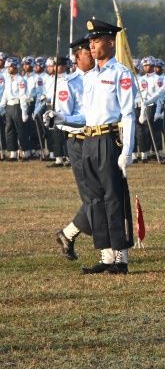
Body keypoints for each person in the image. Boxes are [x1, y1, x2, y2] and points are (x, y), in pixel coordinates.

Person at [47, 18, 136, 274]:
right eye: (91, 42)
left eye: (97, 40)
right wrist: (62, 118)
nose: (92, 46)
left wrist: (127, 150)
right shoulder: (90, 77)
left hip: (109, 140)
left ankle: (120, 257)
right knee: (95, 200)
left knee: (113, 199)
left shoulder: (120, 73)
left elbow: (128, 114)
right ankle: (106, 256)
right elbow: (87, 115)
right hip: (89, 140)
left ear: (110, 42)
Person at [50, 37, 96, 260]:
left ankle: (68, 234)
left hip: (100, 140)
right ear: (78, 56)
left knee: (104, 193)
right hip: (79, 141)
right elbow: (63, 119)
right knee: (92, 195)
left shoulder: (99, 77)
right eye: (88, 51)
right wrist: (86, 120)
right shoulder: (68, 83)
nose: (93, 54)